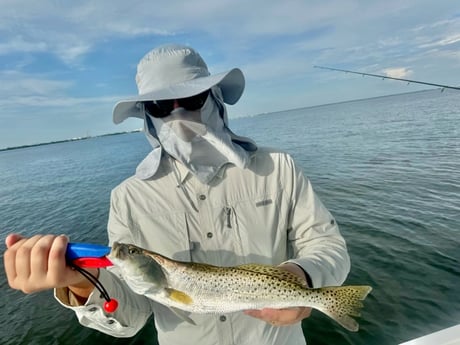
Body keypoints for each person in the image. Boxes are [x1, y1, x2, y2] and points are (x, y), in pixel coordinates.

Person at [4, 44, 350, 345]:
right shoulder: (128, 199)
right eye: (159, 106)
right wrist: (79, 283)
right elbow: (133, 315)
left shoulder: (278, 168)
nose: (177, 113)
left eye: (190, 98)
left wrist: (303, 278)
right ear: (146, 118)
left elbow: (327, 244)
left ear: (215, 98)